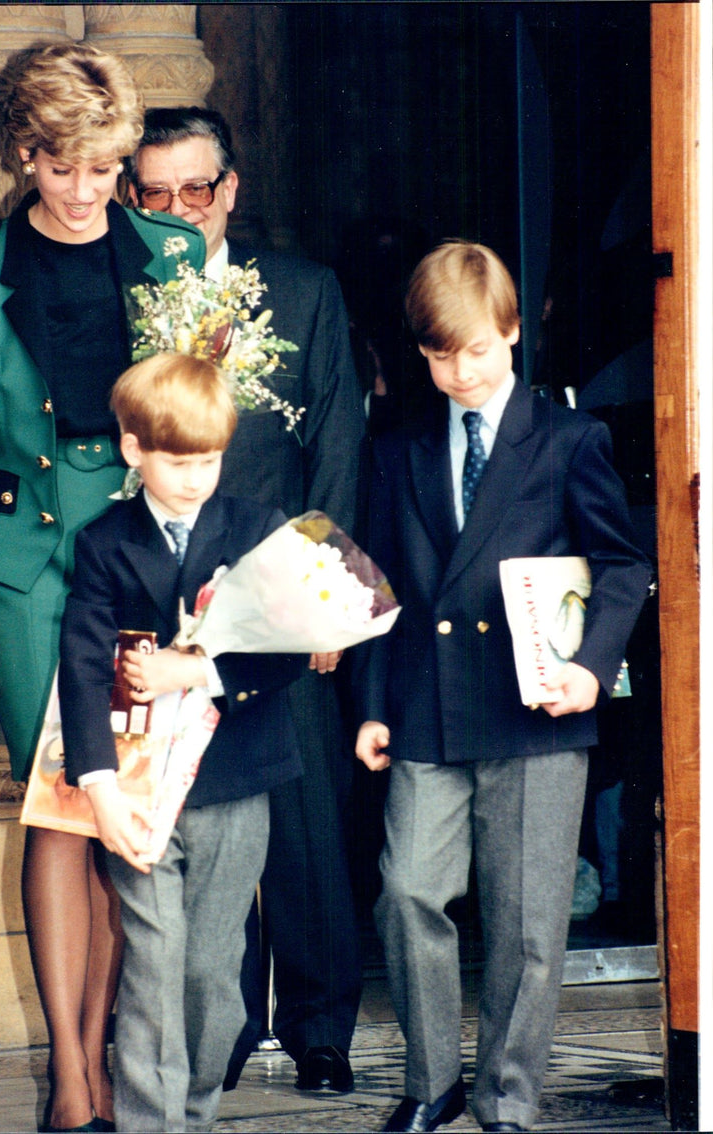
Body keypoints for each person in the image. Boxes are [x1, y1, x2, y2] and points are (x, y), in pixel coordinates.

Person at [353, 240, 652, 1133]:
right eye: (441, 354)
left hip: (536, 712)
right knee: (407, 891)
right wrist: (370, 707)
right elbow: (375, 589)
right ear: (420, 351)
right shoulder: (397, 449)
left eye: (478, 350)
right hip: (426, 711)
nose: (461, 371)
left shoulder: (569, 439)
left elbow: (623, 563)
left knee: (526, 925)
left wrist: (591, 670)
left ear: (513, 333)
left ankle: (508, 1095)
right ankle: (431, 1080)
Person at [0, 43, 205, 1132]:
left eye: (104, 166)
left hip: (137, 561)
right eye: (61, 166)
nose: (84, 189)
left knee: (124, 805)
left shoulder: (171, 256)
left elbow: (205, 427)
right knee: (59, 809)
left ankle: (108, 1058)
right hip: (20, 565)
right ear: (24, 155)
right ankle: (70, 1074)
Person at [127, 107, 366, 1091]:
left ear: (229, 189)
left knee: (304, 816)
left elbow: (338, 448)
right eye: (156, 193)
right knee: (194, 817)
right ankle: (213, 1030)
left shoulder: (303, 294)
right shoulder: (123, 291)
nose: (178, 209)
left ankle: (318, 1031)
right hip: (165, 598)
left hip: (279, 598)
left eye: (196, 188)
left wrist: (323, 606)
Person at [57, 352, 308, 1132]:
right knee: (154, 968)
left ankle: (194, 1112)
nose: (197, 477)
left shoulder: (259, 527)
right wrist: (96, 788)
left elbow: (292, 645)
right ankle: (147, 1122)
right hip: (135, 792)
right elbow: (82, 661)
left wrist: (194, 670)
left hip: (237, 780)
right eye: (178, 461)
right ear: (134, 450)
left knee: (208, 971)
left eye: (210, 460)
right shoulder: (103, 542)